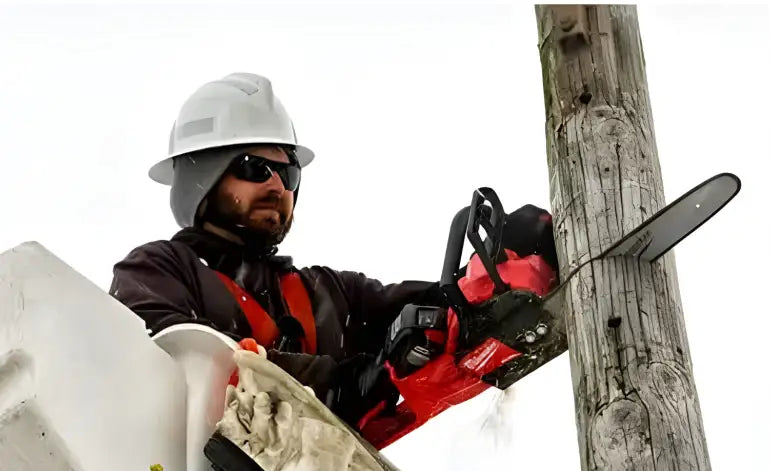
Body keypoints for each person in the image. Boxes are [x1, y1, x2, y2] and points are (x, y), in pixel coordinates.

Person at [111, 72, 557, 441]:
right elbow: (186, 362)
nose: (277, 186)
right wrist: (345, 386)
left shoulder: (324, 293)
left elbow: (435, 308)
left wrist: (510, 259)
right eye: (254, 168)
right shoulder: (156, 270)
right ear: (200, 179)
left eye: (288, 172)